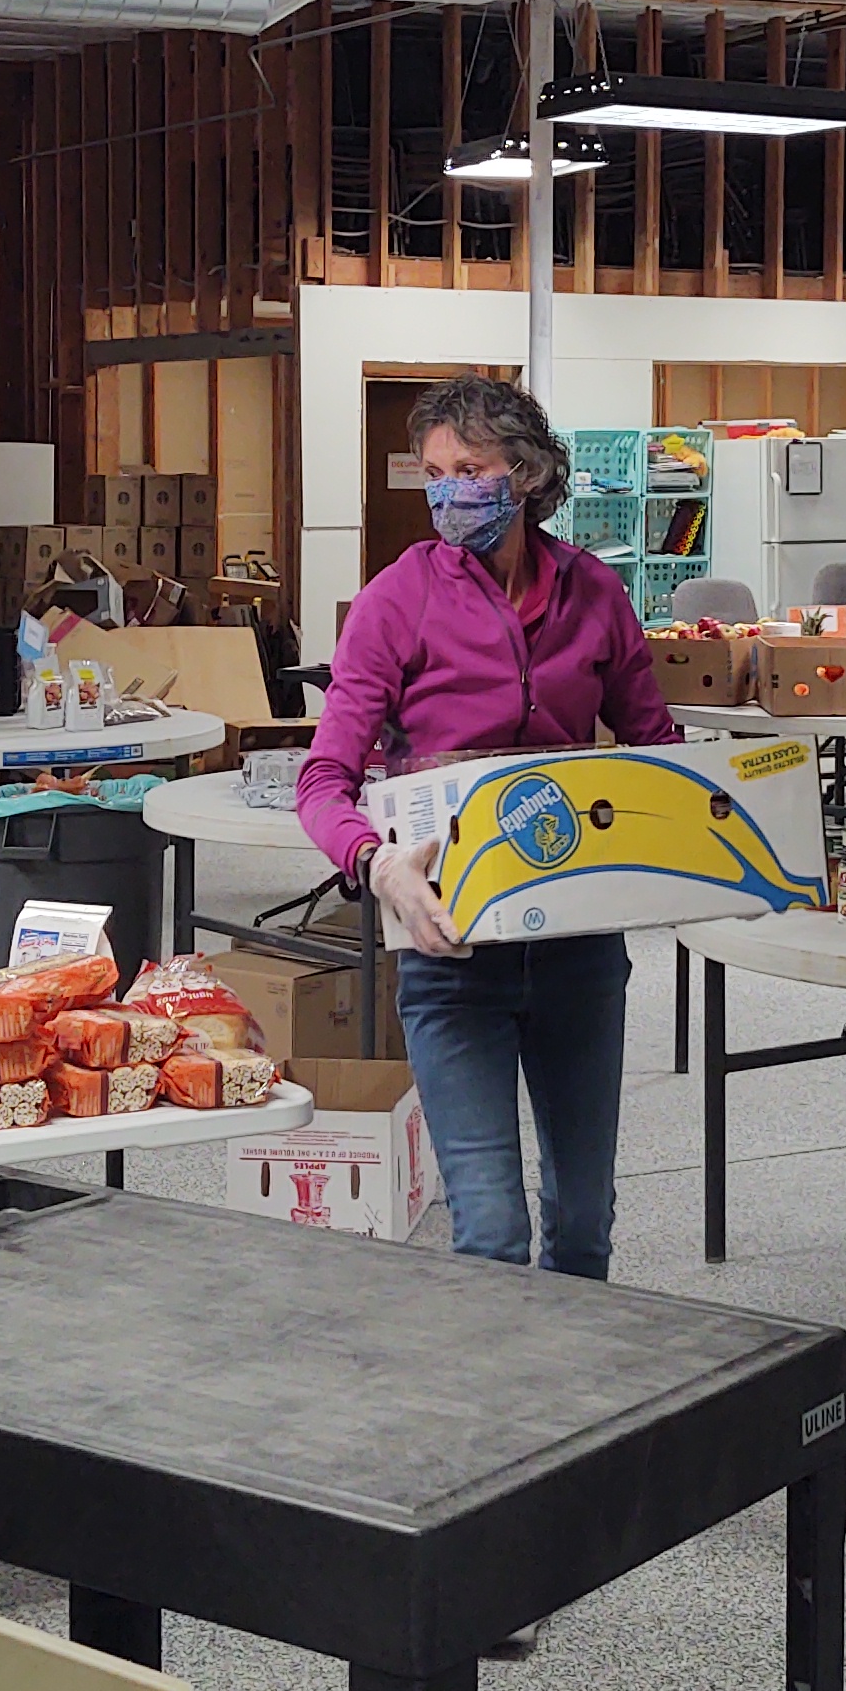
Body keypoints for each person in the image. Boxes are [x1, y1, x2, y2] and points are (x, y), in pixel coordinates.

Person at [297, 375, 679, 1279]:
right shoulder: (399, 598)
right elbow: (322, 780)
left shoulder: (595, 596)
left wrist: (707, 858)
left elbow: (656, 750)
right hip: (450, 950)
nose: (446, 492)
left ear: (528, 474)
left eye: (468, 468)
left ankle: (582, 1413)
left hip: (580, 952)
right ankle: (505, 1420)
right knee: (492, 1238)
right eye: (432, 472)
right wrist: (374, 865)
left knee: (584, 1226)